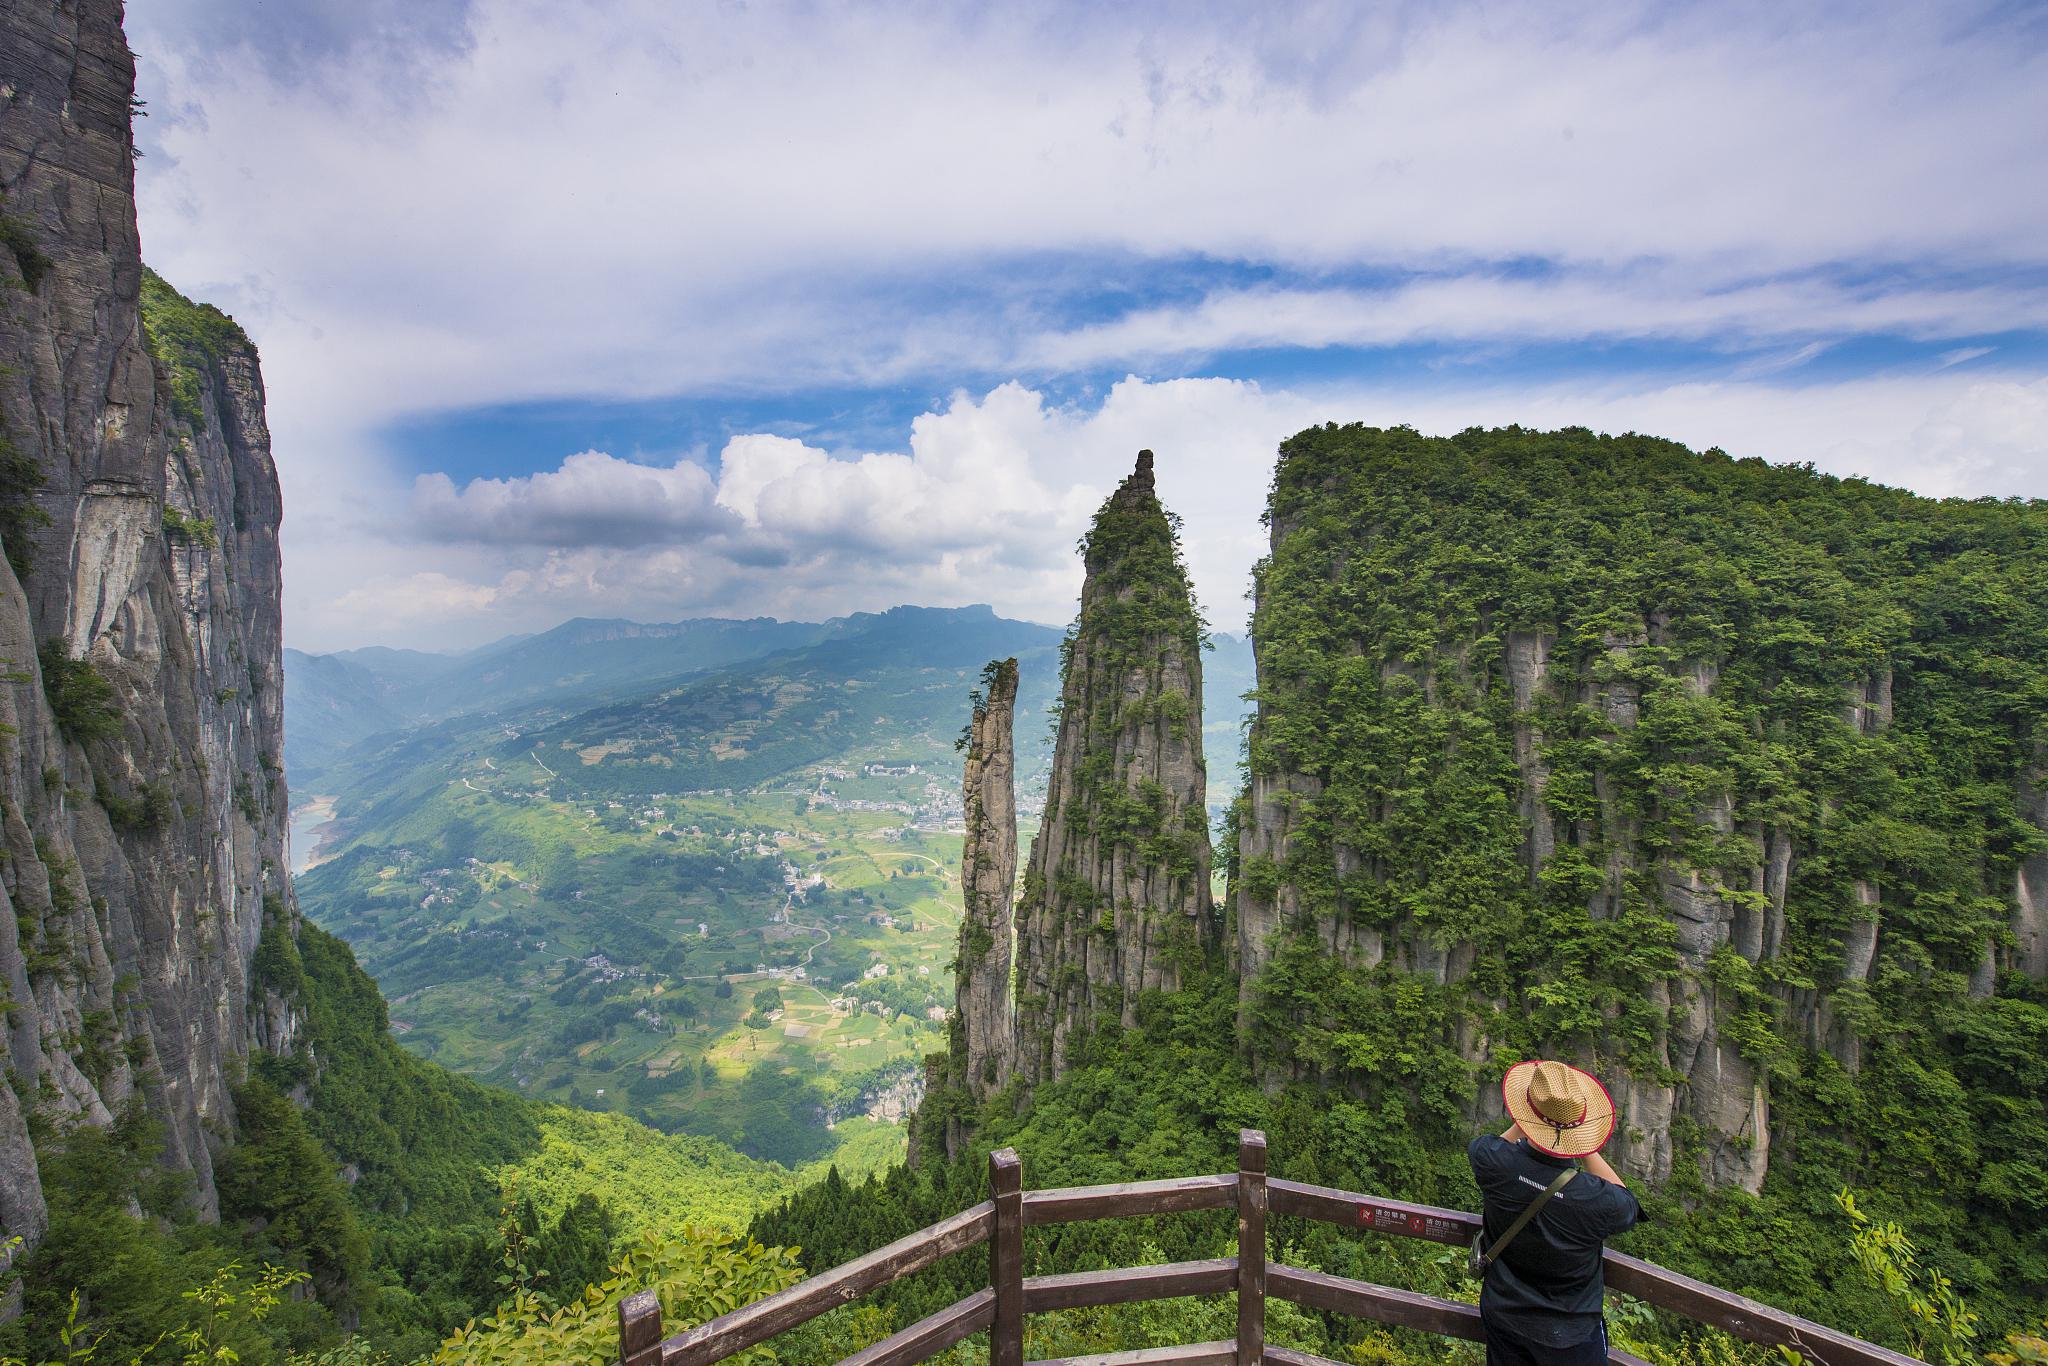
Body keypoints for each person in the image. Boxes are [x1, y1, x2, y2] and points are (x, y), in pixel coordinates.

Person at [1467, 1059, 1643, 1365]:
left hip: (1504, 1316)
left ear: (1525, 1115)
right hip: (1570, 1334)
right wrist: (1583, 1143)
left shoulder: (1492, 1163)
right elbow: (1627, 1202)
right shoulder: (1595, 1199)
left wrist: (1528, 1120)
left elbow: (1491, 1144)